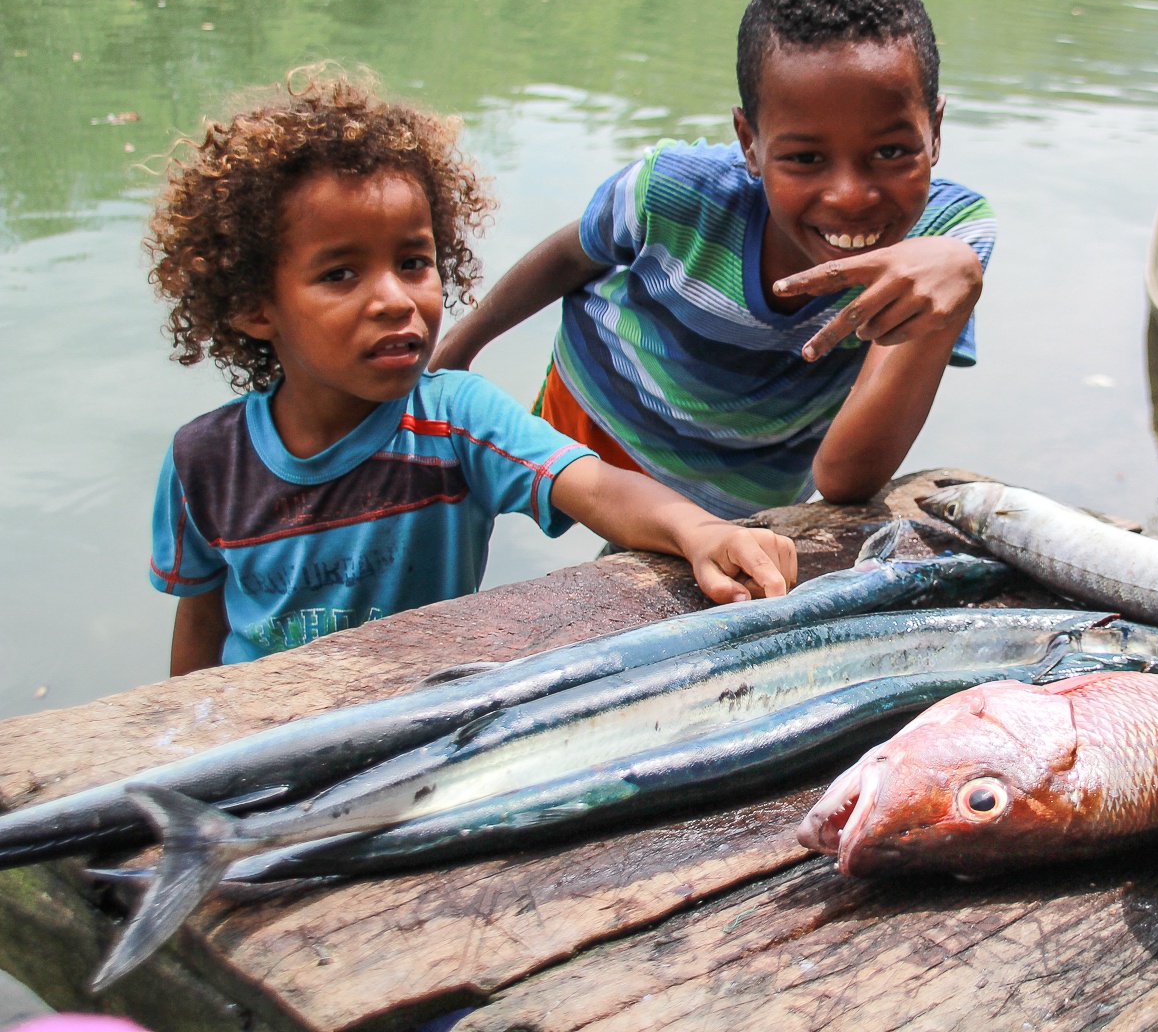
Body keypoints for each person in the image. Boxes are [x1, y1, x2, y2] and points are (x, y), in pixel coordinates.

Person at [147, 71, 797, 675]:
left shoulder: (456, 418)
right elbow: (201, 622)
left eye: (412, 262)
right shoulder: (204, 462)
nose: (396, 300)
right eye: (340, 274)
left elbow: (598, 488)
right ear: (253, 306)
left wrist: (701, 529)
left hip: (425, 729)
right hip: (264, 743)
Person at [431, 0, 995, 520]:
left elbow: (846, 477)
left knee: (666, 563)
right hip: (605, 418)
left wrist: (959, 284)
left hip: (738, 494)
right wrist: (458, 348)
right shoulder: (674, 190)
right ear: (749, 142)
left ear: (936, 130)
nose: (850, 196)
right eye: (804, 158)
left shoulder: (949, 241)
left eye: (891, 152)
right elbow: (570, 256)